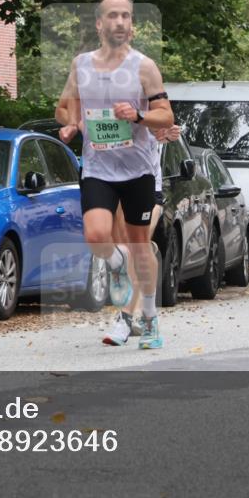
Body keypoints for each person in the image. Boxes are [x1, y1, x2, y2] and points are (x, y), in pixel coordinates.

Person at [55, 0, 174, 349]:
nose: (119, 21)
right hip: (98, 167)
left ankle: (150, 320)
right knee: (96, 236)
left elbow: (166, 115)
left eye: (126, 16)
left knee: (140, 245)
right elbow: (63, 107)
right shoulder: (82, 65)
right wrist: (70, 124)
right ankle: (117, 260)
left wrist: (138, 115)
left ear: (132, 26)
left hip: (137, 170)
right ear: (99, 23)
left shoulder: (144, 67)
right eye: (113, 15)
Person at [104, 124, 181, 344]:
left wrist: (167, 133)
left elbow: (164, 126)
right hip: (116, 187)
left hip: (148, 187)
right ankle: (140, 315)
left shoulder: (147, 102)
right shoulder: (107, 106)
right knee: (127, 252)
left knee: (137, 249)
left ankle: (129, 319)